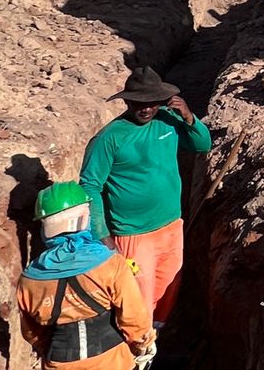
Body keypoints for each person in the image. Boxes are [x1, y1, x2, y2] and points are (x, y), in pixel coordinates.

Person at [79, 67, 211, 332]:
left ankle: (154, 340)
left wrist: (188, 117)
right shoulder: (110, 138)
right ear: (127, 101)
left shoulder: (168, 121)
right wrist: (102, 234)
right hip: (133, 234)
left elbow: (202, 145)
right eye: (139, 103)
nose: (146, 109)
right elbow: (90, 186)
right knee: (137, 298)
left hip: (171, 226)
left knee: (167, 289)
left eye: (152, 102)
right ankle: (133, 348)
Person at [17, 180, 157, 369]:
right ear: (83, 219)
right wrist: (144, 344)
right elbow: (134, 317)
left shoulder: (30, 279)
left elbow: (33, 334)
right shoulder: (110, 264)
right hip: (111, 360)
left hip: (59, 362)